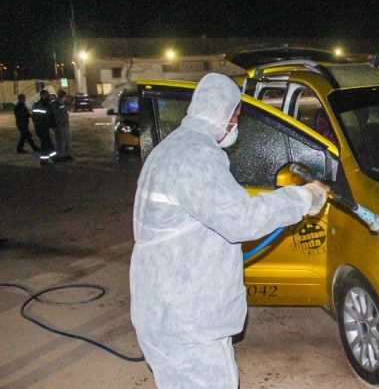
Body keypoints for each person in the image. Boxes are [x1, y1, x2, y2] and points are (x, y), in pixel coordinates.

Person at [129, 73, 328, 389]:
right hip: (188, 319)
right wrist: (302, 198)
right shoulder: (196, 155)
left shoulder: (173, 148)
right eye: (236, 115)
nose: (237, 124)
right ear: (222, 110)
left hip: (167, 309)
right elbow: (241, 218)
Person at [31, 90, 57, 165]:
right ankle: (44, 160)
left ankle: (54, 157)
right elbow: (47, 117)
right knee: (45, 143)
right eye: (47, 95)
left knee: (48, 142)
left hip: (43, 127)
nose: (48, 96)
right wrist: (52, 125)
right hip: (41, 127)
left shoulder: (43, 104)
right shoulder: (43, 105)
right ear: (42, 95)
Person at [51, 90, 73, 162]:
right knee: (60, 141)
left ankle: (67, 154)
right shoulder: (56, 103)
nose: (64, 96)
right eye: (63, 95)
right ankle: (61, 155)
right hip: (59, 125)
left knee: (67, 140)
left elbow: (66, 111)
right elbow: (56, 114)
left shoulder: (62, 103)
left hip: (65, 124)